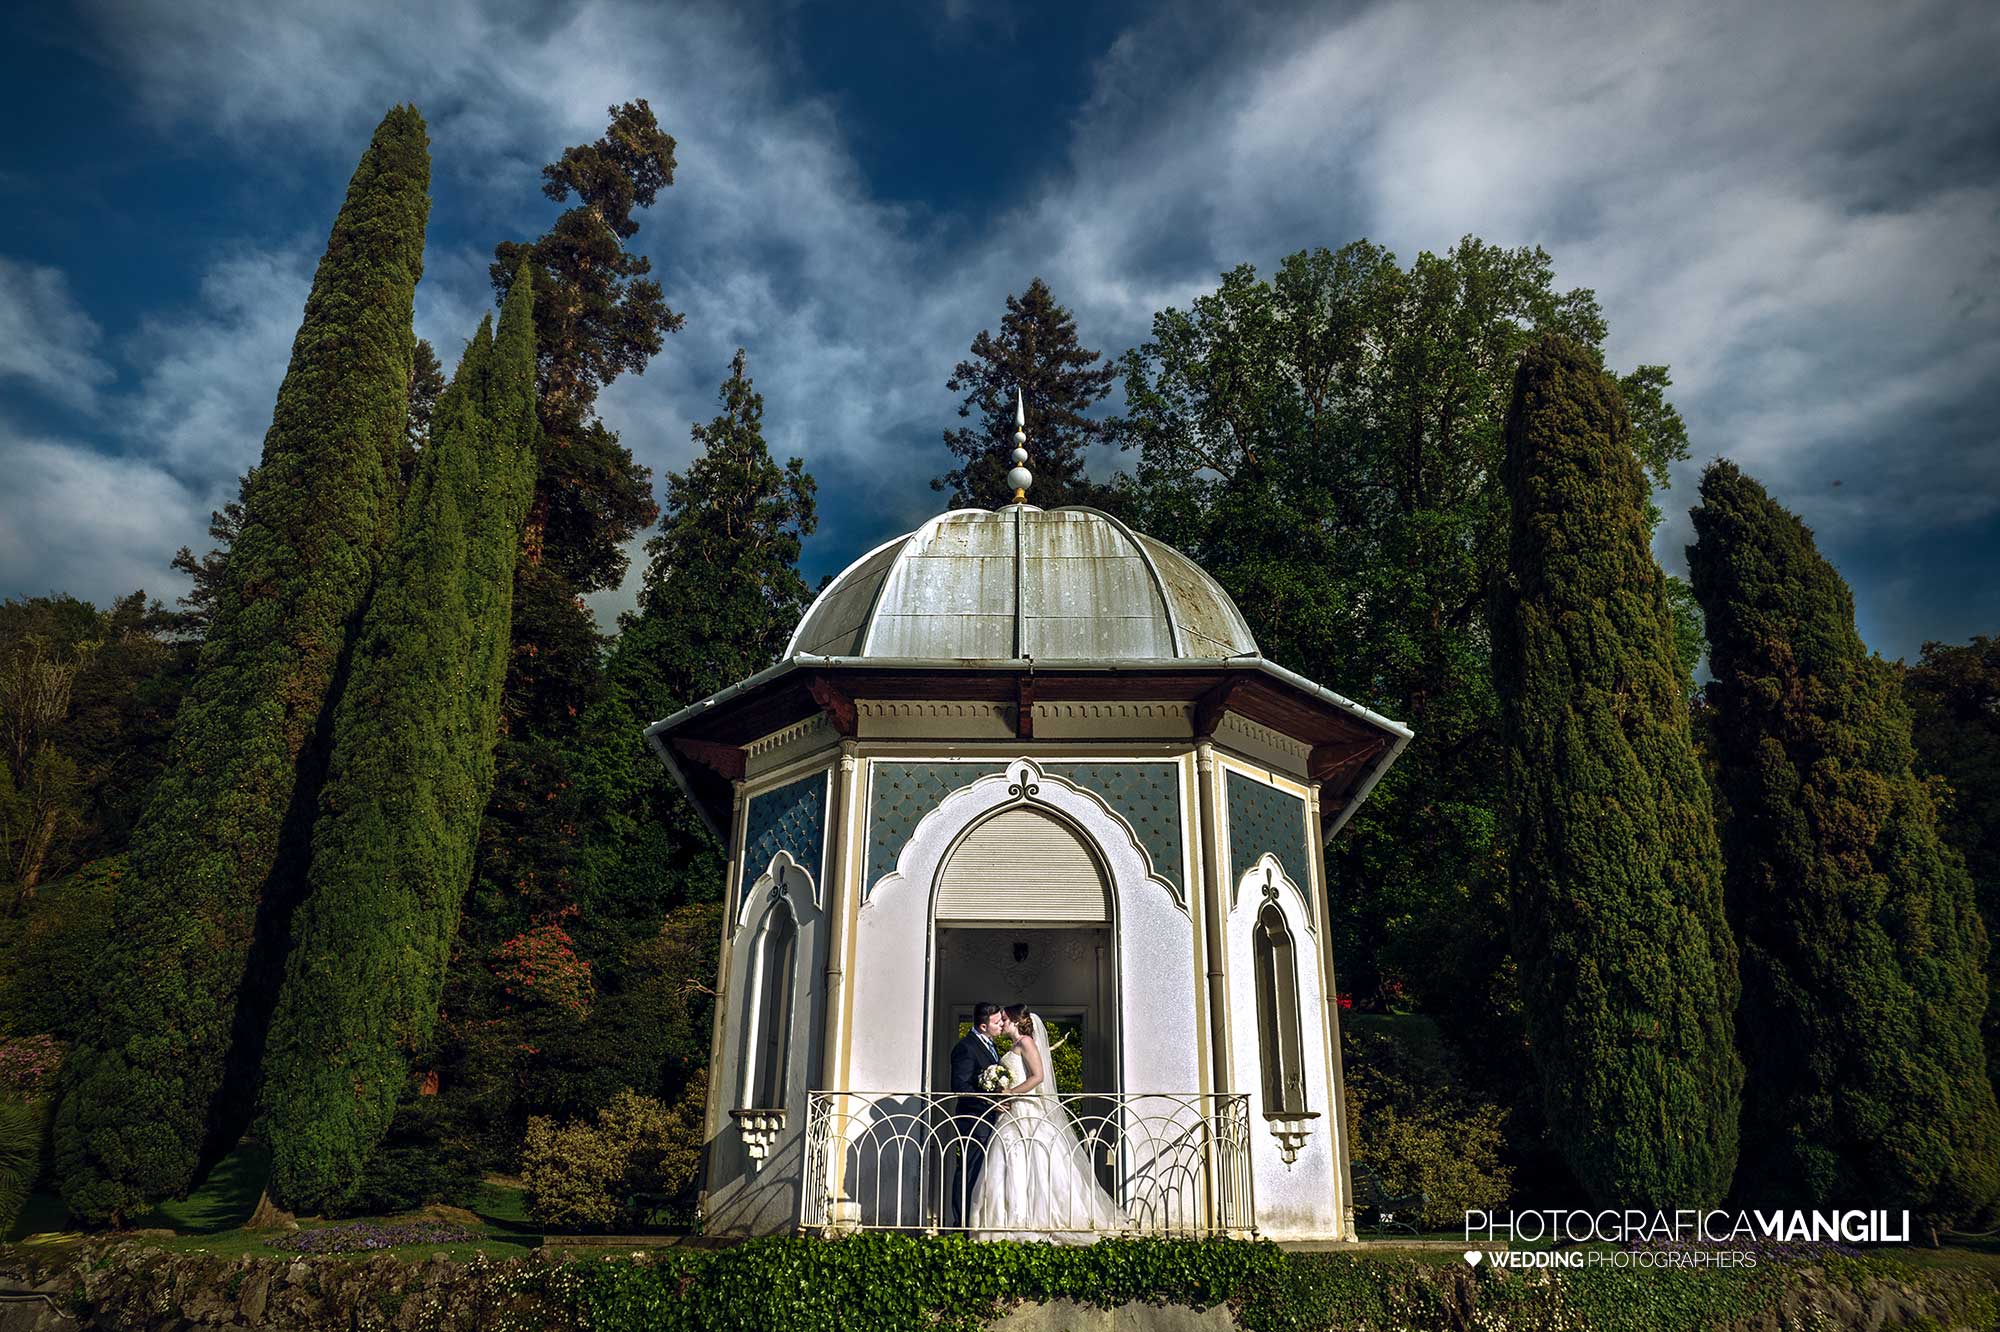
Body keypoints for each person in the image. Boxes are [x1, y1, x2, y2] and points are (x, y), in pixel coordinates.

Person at [967, 1004, 1130, 1242]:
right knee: (1008, 1165)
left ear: (1014, 1020)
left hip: (1027, 1112)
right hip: (1011, 1114)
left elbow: (1038, 1076)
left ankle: (1042, 1220)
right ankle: (1008, 1221)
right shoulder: (1013, 1045)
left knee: (1039, 1165)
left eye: (1004, 1019)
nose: (1001, 1023)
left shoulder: (1026, 1042)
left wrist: (1011, 1092)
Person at [944, 1001, 1009, 1229]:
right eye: (996, 1022)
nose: (1001, 1024)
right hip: (974, 1118)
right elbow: (960, 1086)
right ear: (983, 1026)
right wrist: (990, 1103)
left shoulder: (990, 1045)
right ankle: (960, 1222)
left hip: (990, 1118)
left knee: (984, 1168)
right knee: (971, 1167)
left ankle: (977, 1218)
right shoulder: (966, 1047)